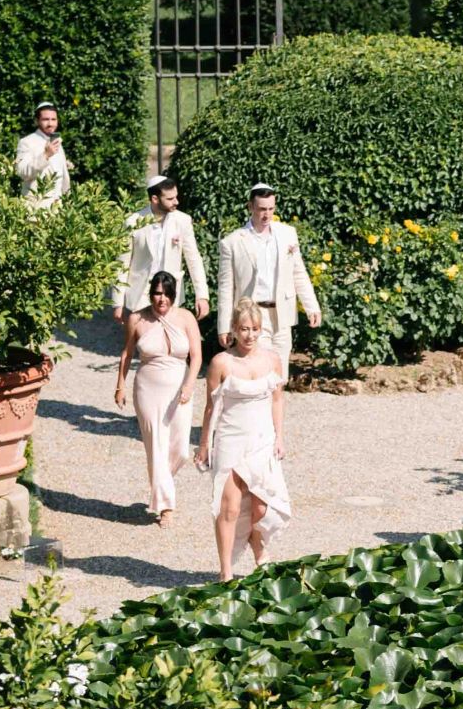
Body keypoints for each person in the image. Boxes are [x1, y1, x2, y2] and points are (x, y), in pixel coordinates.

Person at [198, 297, 290, 578]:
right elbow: (211, 406)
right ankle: (225, 572)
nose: (250, 335)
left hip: (261, 437)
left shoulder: (272, 359)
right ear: (234, 329)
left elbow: (277, 400)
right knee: (230, 507)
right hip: (231, 439)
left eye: (255, 329)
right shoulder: (221, 362)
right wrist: (204, 444)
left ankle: (256, 543)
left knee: (262, 505)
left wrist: (279, 437)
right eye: (244, 329)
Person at [113, 269, 201, 527]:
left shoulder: (185, 318)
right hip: (148, 388)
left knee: (181, 449)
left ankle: (161, 485)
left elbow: (196, 356)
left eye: (165, 294)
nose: (160, 299)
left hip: (179, 387)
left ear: (173, 295)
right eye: (156, 294)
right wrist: (120, 385)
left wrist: (189, 384)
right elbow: (127, 354)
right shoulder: (138, 319)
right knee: (156, 445)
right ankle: (166, 506)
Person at [216, 185, 321, 357]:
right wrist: (224, 326)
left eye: (271, 209)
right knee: (260, 368)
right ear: (250, 207)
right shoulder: (232, 242)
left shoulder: (287, 234)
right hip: (252, 314)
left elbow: (298, 272)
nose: (267, 214)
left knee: (281, 372)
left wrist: (312, 307)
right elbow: (226, 287)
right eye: (262, 209)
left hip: (282, 312)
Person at [114, 172, 210, 328]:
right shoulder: (133, 222)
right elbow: (122, 263)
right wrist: (117, 303)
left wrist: (202, 296)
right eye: (170, 199)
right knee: (144, 346)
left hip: (171, 293)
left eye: (176, 197)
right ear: (154, 199)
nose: (176, 202)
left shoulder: (183, 221)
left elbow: (194, 260)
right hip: (140, 295)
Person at [13, 98, 71, 207]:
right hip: (36, 209)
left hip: (58, 209)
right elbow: (22, 172)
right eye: (46, 119)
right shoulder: (26, 142)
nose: (50, 123)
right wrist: (46, 155)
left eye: (53, 119)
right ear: (37, 121)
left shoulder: (57, 142)